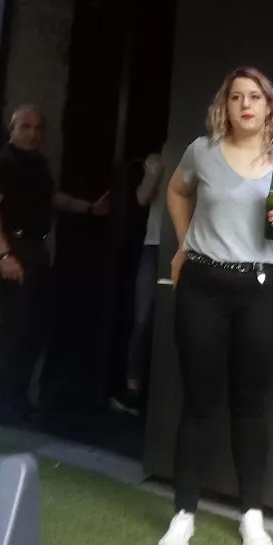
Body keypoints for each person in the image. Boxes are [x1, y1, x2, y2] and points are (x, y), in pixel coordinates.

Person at [157, 67, 273, 545]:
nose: (246, 104)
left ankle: (252, 515)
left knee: (250, 405)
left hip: (261, 290)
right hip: (202, 285)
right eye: (236, 97)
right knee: (198, 403)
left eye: (255, 97)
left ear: (269, 107)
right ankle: (183, 514)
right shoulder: (201, 151)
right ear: (224, 106)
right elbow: (176, 192)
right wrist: (184, 244)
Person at [0, 105, 110, 426]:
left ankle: (18, 400)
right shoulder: (1, 165)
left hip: (36, 249)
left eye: (38, 128)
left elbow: (52, 198)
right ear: (12, 128)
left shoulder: (37, 164)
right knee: (14, 330)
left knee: (33, 330)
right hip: (14, 247)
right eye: (26, 126)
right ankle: (2, 405)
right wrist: (4, 255)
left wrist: (88, 208)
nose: (33, 133)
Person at [110, 144, 168, 417]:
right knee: (143, 317)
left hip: (188, 246)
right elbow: (142, 198)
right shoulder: (157, 160)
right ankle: (133, 390)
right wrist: (155, 170)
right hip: (154, 245)